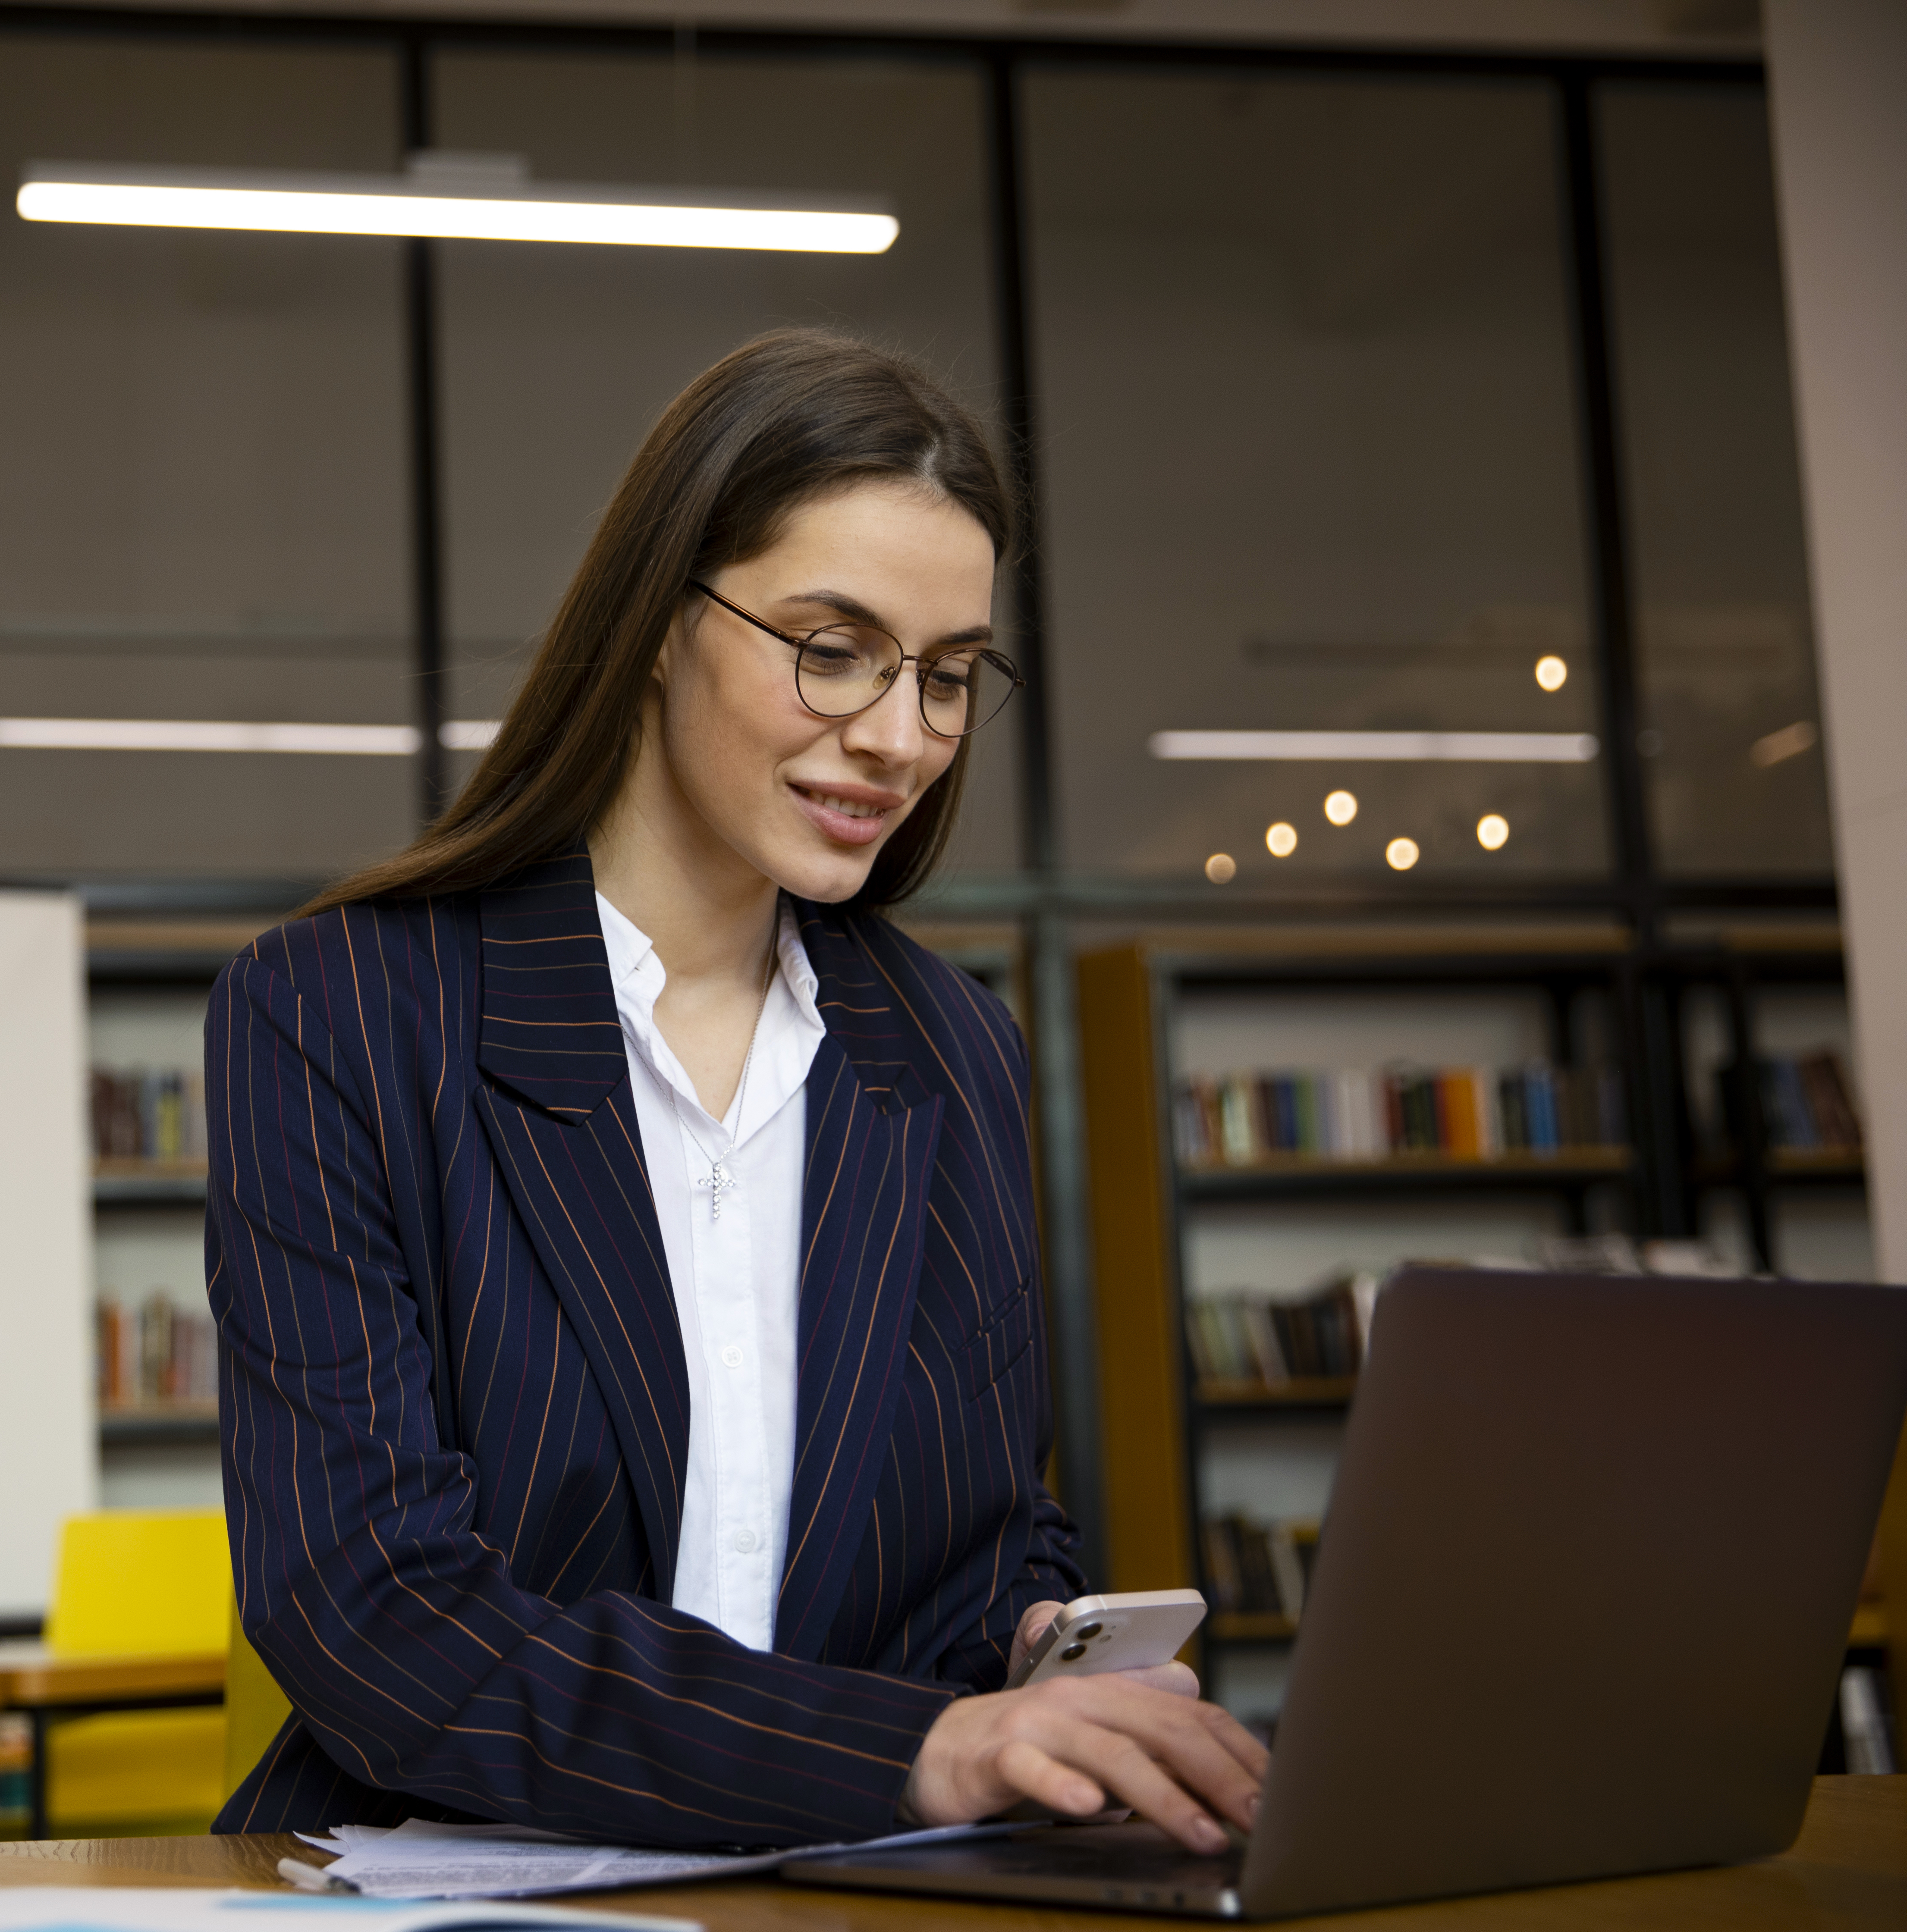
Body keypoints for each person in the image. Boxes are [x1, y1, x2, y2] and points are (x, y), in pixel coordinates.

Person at [206, 328, 1267, 1852]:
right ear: (656, 618)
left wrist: (1048, 1665)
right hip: (448, 1876)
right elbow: (377, 1610)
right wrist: (916, 1750)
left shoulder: (951, 1047)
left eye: (950, 677)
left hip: (857, 1888)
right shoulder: (339, 1014)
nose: (899, 738)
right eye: (830, 650)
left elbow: (982, 1531)